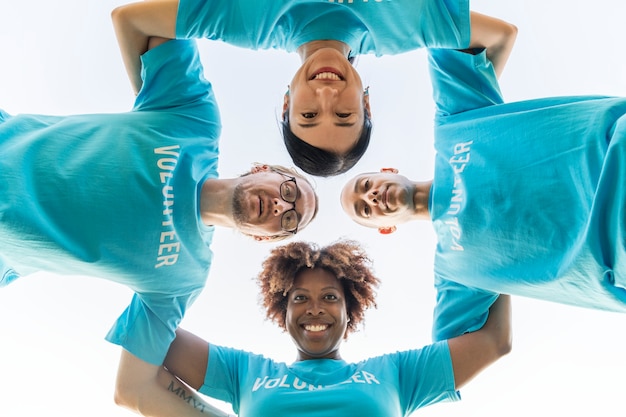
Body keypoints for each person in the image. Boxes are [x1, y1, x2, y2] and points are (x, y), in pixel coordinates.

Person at [0, 8, 317, 417]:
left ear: (264, 238)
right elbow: (134, 20)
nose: (281, 205)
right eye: (289, 190)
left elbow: (134, 389)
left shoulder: (185, 275)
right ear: (263, 170)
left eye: (289, 220)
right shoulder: (194, 120)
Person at [340, 19, 626, 343]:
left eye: (365, 186)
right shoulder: (455, 272)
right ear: (385, 228)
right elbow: (458, 355)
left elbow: (474, 32)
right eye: (365, 210)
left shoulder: (453, 123)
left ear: (387, 171)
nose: (373, 197)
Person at [110, 0, 515, 176]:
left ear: (285, 103)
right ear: (367, 106)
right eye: (344, 115)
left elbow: (131, 20)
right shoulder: (408, 31)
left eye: (307, 115)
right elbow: (499, 37)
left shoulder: (247, 24)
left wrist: (153, 113)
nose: (325, 96)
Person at [115, 240, 511, 416]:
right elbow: (151, 330)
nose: (314, 309)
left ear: (350, 309)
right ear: (281, 311)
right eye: (299, 298)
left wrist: (502, 244)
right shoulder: (244, 373)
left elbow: (494, 342)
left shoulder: (398, 374)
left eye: (330, 297)